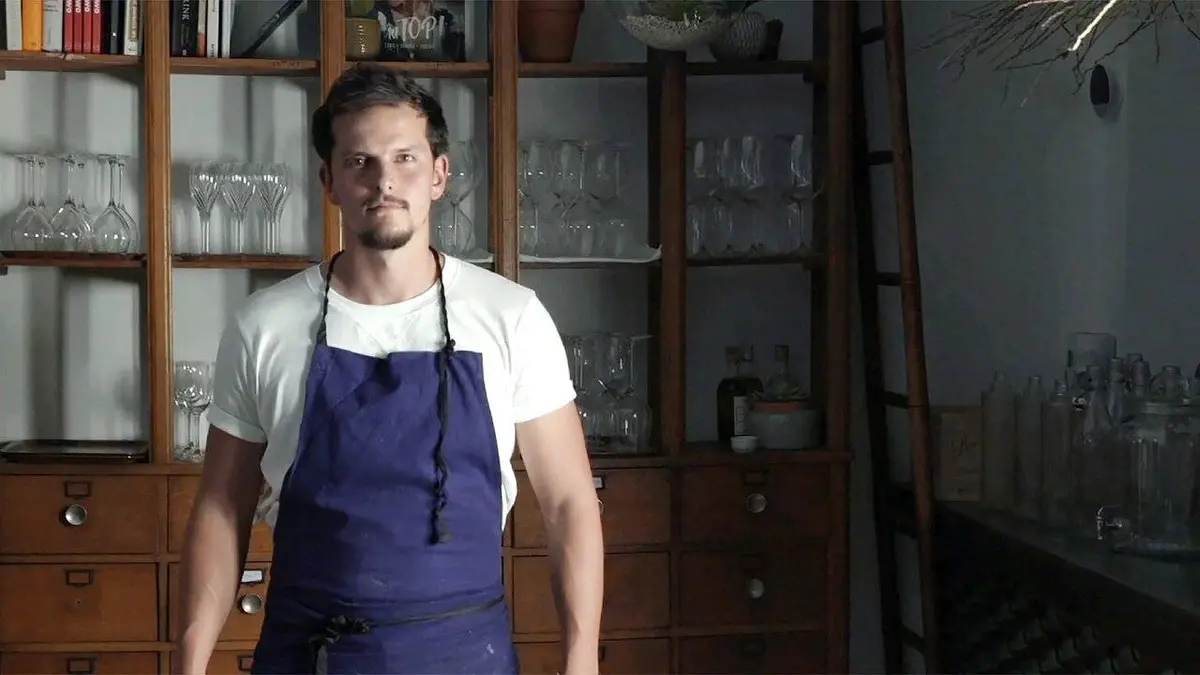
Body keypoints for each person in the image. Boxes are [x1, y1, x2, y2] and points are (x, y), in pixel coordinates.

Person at [174, 63, 604, 675]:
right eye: (360, 162)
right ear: (329, 180)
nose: (385, 182)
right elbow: (222, 507)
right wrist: (190, 664)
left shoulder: (511, 317)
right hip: (311, 655)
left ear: (439, 175)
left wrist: (582, 662)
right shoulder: (263, 326)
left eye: (405, 158)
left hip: (464, 656)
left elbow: (569, 505)